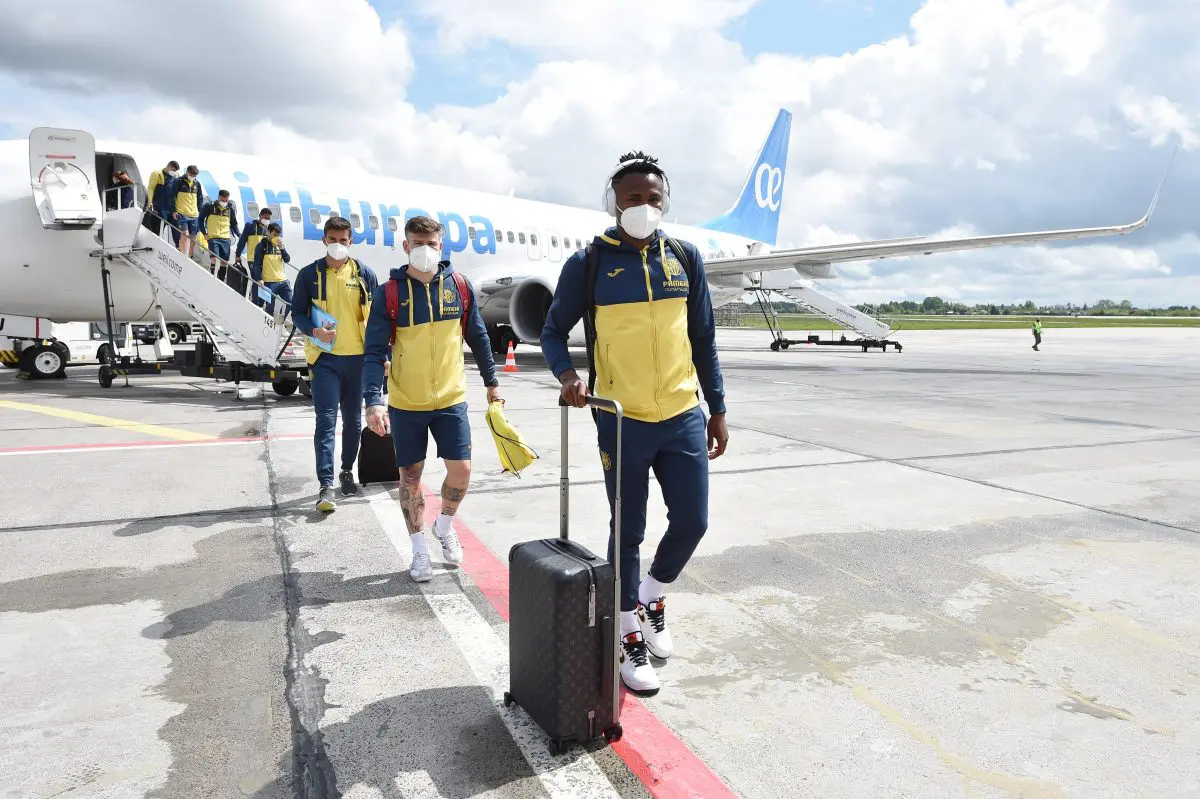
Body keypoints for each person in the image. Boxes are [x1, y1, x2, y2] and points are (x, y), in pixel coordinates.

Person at [540, 151, 729, 697]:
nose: (644, 206)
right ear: (613, 204)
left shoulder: (685, 258)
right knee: (628, 530)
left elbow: (703, 338)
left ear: (665, 202)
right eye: (632, 199)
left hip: (682, 413)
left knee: (693, 521)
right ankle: (626, 633)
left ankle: (651, 596)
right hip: (621, 419)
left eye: (653, 198)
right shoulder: (589, 263)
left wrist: (717, 408)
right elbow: (553, 332)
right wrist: (567, 376)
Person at [362, 215, 501, 583]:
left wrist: (491, 380)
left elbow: (478, 337)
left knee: (462, 471)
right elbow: (374, 351)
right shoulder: (389, 293)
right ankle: (419, 550)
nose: (425, 250)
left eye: (432, 244)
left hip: (451, 399)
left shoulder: (459, 287)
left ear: (441, 246)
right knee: (410, 479)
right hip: (407, 403)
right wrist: (373, 400)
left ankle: (444, 526)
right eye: (418, 244)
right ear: (406, 246)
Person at [290, 216, 380, 512]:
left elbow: (376, 319)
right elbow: (297, 312)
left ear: (350, 241)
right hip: (325, 360)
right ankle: (325, 484)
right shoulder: (309, 275)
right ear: (324, 240)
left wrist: (383, 357)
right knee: (326, 421)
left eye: (343, 240)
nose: (338, 244)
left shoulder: (365, 274)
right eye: (332, 239)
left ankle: (346, 471)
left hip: (358, 361)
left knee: (353, 422)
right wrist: (313, 331)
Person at [251, 222, 293, 314]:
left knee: (291, 302)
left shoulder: (280, 246)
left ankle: (282, 320)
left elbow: (287, 259)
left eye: (278, 235)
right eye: (274, 235)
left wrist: (282, 248)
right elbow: (256, 264)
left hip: (283, 281)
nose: (276, 237)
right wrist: (259, 279)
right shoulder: (261, 246)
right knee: (269, 309)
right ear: (268, 232)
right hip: (269, 283)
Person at [198, 190, 240, 278]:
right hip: (213, 237)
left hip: (225, 238)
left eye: (226, 200)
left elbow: (234, 224)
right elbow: (200, 219)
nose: (224, 202)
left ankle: (220, 280)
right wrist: (204, 233)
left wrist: (239, 234)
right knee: (213, 258)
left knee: (224, 262)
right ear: (218, 197)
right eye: (222, 200)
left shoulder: (230, 209)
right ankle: (213, 277)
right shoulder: (209, 206)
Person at [169, 165, 203, 256]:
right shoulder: (178, 181)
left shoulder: (197, 183)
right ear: (187, 172)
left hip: (194, 214)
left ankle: (190, 256)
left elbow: (200, 198)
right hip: (182, 213)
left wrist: (200, 212)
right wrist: (174, 210)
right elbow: (172, 197)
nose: (193, 176)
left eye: (195, 175)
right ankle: (183, 255)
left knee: (193, 237)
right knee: (184, 234)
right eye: (192, 174)